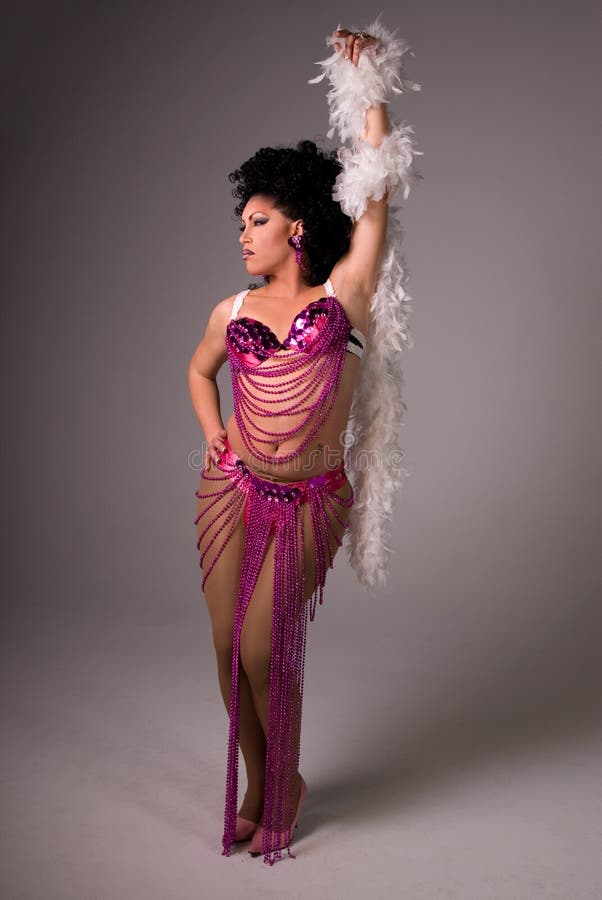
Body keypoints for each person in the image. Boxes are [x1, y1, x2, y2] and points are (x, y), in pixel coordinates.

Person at [188, 16, 422, 866]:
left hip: (311, 503)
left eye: (254, 219)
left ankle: (280, 778)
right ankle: (267, 784)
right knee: (224, 649)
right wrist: (216, 436)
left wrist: (368, 92)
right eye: (239, 222)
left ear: (295, 227)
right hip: (232, 493)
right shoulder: (233, 311)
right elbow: (197, 371)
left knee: (260, 646)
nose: (240, 234)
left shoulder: (345, 291)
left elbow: (381, 192)